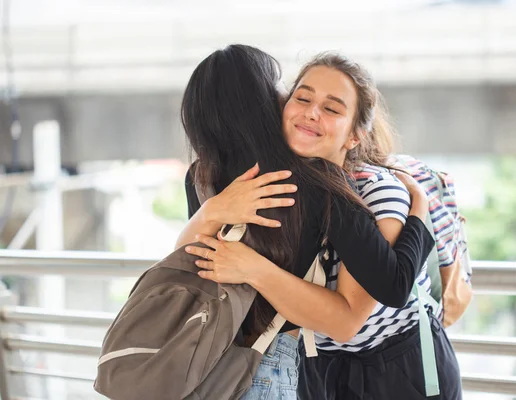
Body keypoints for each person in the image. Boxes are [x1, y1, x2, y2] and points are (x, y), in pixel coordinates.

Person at [187, 50, 462, 399]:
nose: (311, 112)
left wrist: (420, 208)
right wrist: (213, 212)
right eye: (300, 97)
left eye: (332, 108)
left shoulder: (372, 190)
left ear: (354, 136)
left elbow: (384, 293)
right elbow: (192, 259)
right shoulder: (244, 179)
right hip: (320, 362)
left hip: (397, 364)